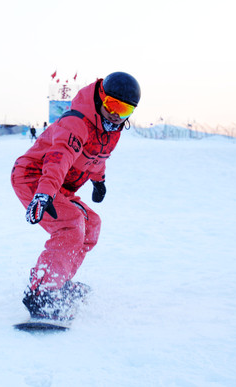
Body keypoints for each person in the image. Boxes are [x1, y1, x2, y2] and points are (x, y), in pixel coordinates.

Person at [10, 72, 140, 321]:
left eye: (124, 110)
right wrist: (44, 193)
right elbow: (59, 157)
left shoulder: (111, 130)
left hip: (60, 187)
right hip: (34, 178)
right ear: (102, 98)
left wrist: (99, 182)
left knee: (91, 225)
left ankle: (59, 281)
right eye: (112, 105)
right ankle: (42, 293)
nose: (116, 114)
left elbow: (96, 157)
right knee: (70, 225)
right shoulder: (77, 122)